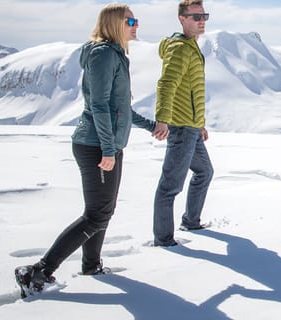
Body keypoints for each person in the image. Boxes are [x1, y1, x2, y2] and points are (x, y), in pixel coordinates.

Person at [14, 4, 168, 298]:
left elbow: (118, 107)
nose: (137, 25)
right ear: (114, 24)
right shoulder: (102, 55)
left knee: (101, 212)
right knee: (97, 215)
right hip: (96, 145)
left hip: (106, 144)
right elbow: (98, 105)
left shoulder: (115, 55)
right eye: (131, 21)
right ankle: (38, 272)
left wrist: (150, 126)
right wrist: (108, 150)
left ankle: (91, 265)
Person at [152, 0, 213, 247]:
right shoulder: (180, 48)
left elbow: (192, 90)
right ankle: (164, 239)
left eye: (204, 16)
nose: (201, 21)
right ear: (182, 19)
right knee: (170, 187)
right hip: (179, 128)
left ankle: (191, 220)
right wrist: (163, 119)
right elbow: (166, 84)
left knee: (204, 171)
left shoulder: (191, 46)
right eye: (195, 16)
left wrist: (200, 124)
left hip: (192, 127)